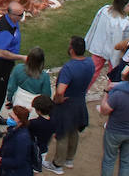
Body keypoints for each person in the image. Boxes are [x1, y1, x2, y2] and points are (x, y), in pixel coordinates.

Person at [46, 36, 93, 175]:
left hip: (67, 105)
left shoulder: (69, 67)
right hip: (80, 102)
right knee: (74, 131)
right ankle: (69, 159)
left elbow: (60, 91)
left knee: (62, 133)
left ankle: (57, 164)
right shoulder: (90, 62)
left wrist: (58, 100)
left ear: (72, 49)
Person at [0, 2, 26, 136]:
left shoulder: (10, 22)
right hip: (0, 64)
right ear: (11, 14)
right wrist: (21, 57)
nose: (22, 16)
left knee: (1, 92)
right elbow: (2, 52)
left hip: (5, 63)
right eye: (20, 15)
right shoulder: (6, 30)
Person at [86, 0, 129, 83]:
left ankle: (84, 90)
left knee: (93, 72)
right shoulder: (125, 23)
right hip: (114, 51)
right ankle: (109, 94)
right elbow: (126, 41)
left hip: (100, 47)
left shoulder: (104, 10)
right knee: (113, 74)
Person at [0, 106, 38, 176]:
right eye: (10, 117)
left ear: (21, 121)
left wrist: (2, 161)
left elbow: (19, 161)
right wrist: (1, 151)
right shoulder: (13, 129)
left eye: (12, 118)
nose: (9, 119)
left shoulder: (22, 138)